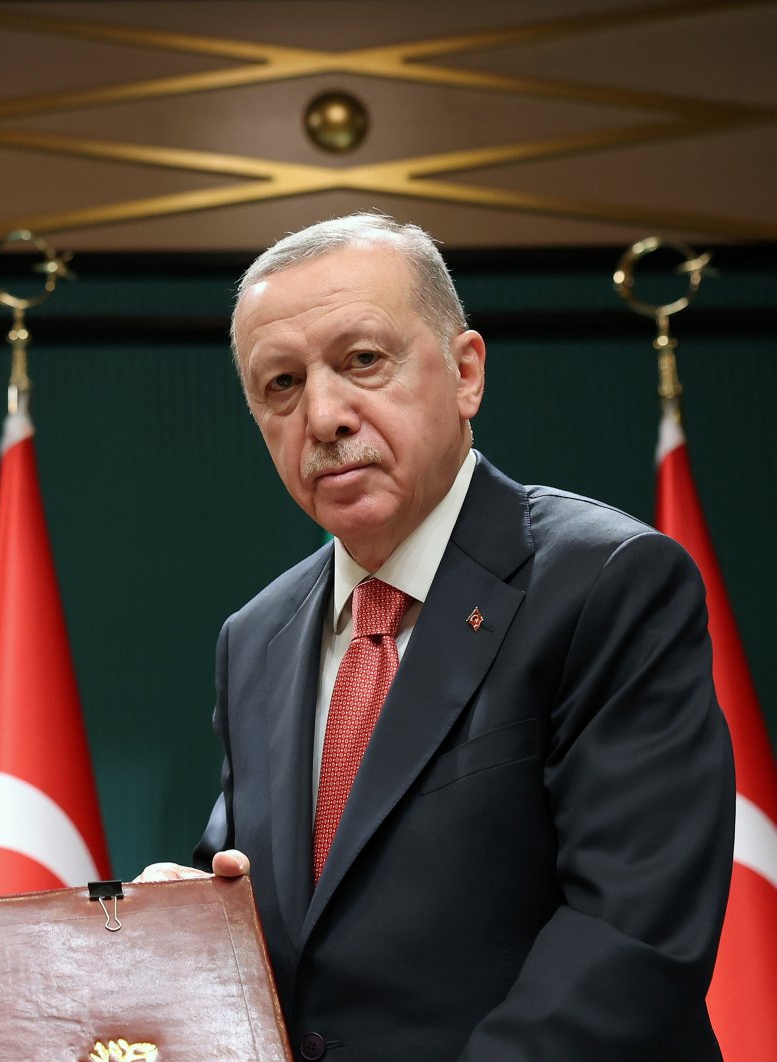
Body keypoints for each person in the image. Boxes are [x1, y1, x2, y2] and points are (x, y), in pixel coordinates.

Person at [142, 215, 734, 1060]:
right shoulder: (257, 636)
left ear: (465, 374)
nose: (324, 416)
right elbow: (279, 901)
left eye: (362, 361)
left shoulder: (610, 582)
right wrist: (191, 916)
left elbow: (629, 939)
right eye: (280, 384)